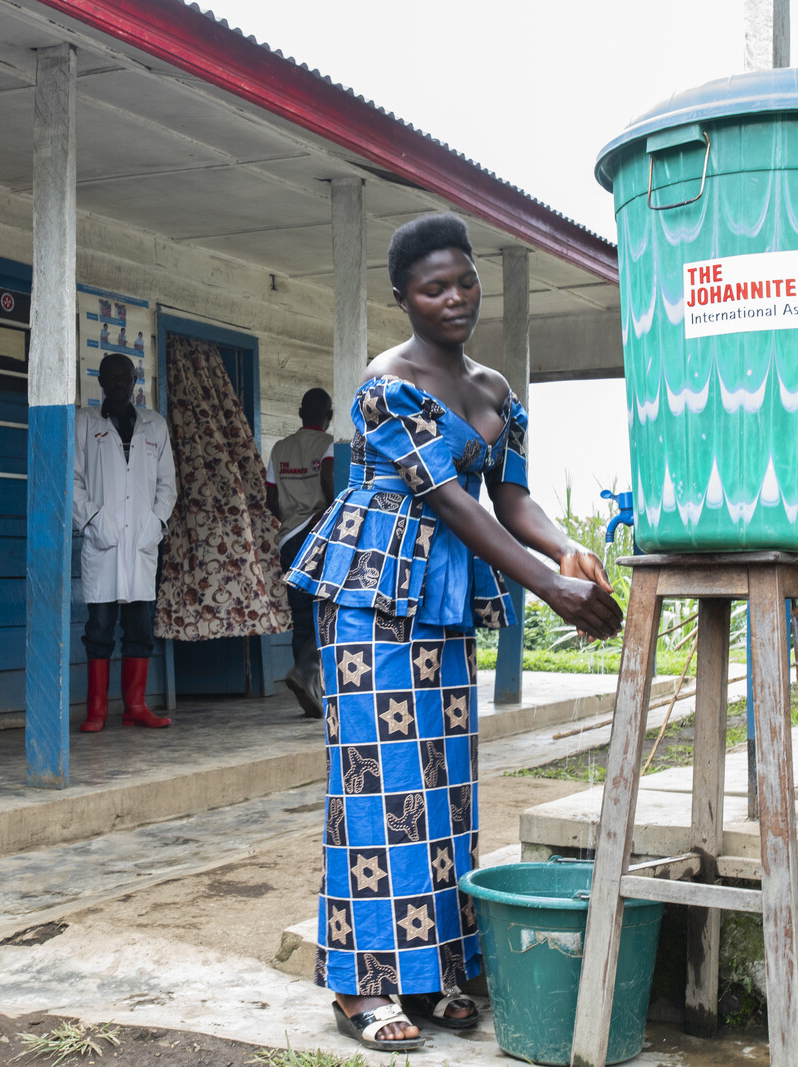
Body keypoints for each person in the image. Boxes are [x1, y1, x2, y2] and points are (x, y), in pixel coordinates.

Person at [286, 214, 623, 1051]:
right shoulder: (384, 384)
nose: (455, 298)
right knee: (377, 781)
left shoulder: (496, 388)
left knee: (443, 784)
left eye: (465, 280)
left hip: (441, 598)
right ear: (401, 298)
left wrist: (565, 547)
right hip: (371, 597)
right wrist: (544, 586)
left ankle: (432, 970)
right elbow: (449, 499)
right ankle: (362, 985)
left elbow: (509, 497)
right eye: (434, 286)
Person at [75, 353, 177, 731]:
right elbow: (73, 481)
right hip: (104, 540)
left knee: (140, 626)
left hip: (142, 539)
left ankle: (135, 704)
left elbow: (168, 484)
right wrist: (92, 521)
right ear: (100, 380)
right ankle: (96, 710)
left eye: (125, 377)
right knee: (99, 627)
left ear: (135, 381)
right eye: (112, 377)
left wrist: (156, 523)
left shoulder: (155, 426)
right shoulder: (84, 423)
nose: (119, 383)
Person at [265, 388, 334, 719]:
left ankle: (307, 692)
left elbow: (271, 499)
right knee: (327, 612)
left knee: (302, 616)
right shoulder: (329, 445)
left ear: (299, 411)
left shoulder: (279, 449)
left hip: (288, 538)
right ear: (329, 415)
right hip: (318, 532)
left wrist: (290, 515)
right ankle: (309, 678)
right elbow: (331, 482)